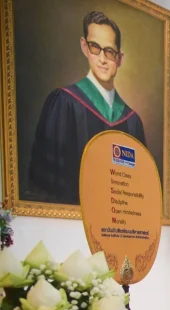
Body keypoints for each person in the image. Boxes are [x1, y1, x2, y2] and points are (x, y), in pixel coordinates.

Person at [28, 11, 147, 205]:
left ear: (120, 58)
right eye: (95, 48)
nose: (102, 59)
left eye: (109, 51)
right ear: (84, 47)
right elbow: (45, 185)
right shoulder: (64, 103)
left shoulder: (132, 121)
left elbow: (139, 190)